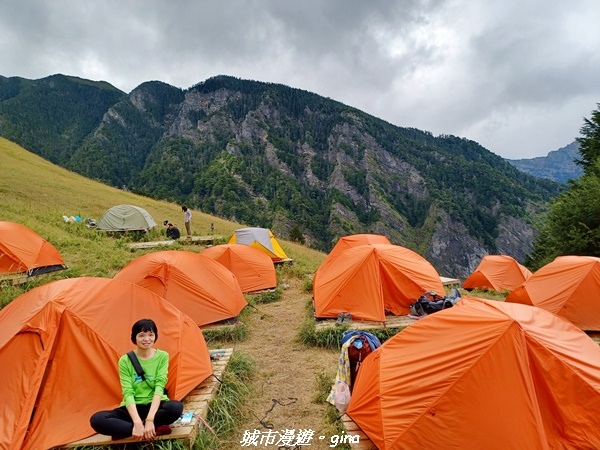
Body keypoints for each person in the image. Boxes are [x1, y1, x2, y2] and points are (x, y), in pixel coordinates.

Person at [90, 319, 183, 441]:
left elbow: (159, 388)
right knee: (97, 419)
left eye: (151, 335)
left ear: (155, 336)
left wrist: (150, 419)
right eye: (141, 335)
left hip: (155, 407)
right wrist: (137, 422)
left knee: (176, 408)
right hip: (133, 408)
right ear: (134, 338)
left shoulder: (162, 356)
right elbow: (127, 392)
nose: (147, 339)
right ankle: (150, 429)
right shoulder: (125, 360)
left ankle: (127, 431)